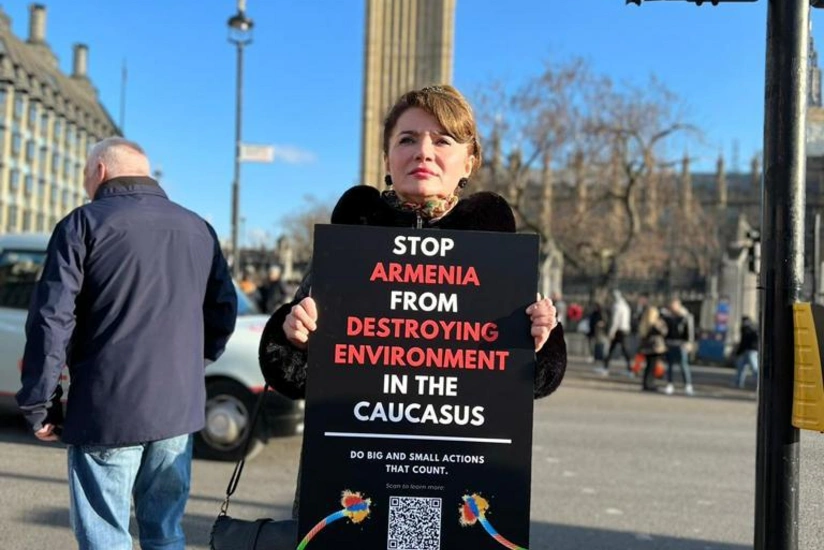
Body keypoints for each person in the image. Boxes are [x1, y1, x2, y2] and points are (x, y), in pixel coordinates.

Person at [258, 84, 567, 522]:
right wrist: (294, 336)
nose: (423, 152)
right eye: (407, 139)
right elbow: (293, 377)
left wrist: (537, 340)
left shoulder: (497, 259)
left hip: (457, 486)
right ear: (387, 158)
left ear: (469, 161)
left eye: (442, 140)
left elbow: (527, 385)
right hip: (352, 483)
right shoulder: (349, 247)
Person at [16, 137, 238, 550]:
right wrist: (192, 363)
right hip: (178, 408)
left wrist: (39, 404)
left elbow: (51, 320)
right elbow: (223, 310)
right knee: (165, 533)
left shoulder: (82, 224)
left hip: (108, 408)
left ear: (100, 170)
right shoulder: (198, 228)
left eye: (85, 174)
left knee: (105, 536)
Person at [661, 298, 695, 396]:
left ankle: (688, 385)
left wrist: (689, 342)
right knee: (670, 365)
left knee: (683, 365)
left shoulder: (685, 316)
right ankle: (670, 384)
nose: (673, 307)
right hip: (670, 342)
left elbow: (690, 330)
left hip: (681, 343)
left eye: (674, 305)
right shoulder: (667, 316)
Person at [595, 289, 632, 376]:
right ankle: (629, 369)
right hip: (625, 329)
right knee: (623, 350)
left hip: (619, 330)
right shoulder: (626, 306)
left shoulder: (617, 306)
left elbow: (615, 321)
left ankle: (606, 367)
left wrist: (611, 332)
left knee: (612, 349)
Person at [637, 305, 669, 392]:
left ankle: (646, 383)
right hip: (655, 347)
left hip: (646, 347)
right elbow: (664, 332)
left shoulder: (644, 323)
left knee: (648, 366)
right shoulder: (655, 323)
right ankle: (650, 384)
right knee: (652, 367)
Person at [734, 316, 759, 389]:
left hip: (751, 351)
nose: (743, 323)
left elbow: (745, 342)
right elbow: (743, 342)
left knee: (754, 369)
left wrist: (738, 352)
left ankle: (759, 384)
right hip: (747, 351)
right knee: (741, 368)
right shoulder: (747, 329)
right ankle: (738, 383)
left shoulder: (750, 329)